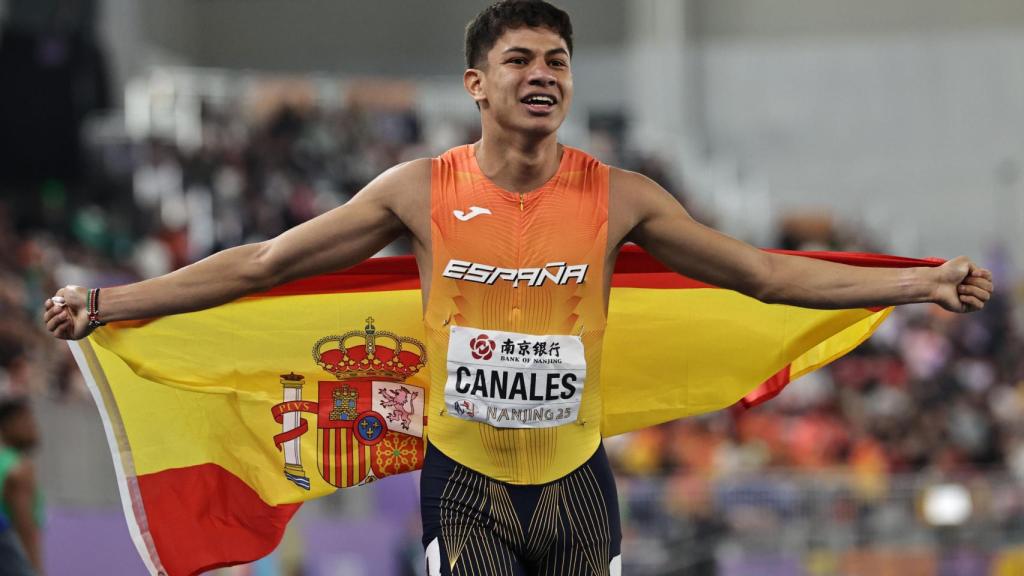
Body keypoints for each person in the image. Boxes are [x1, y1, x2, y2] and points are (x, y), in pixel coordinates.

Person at [43, 1, 993, 574]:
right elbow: (265, 264)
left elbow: (762, 274)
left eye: (557, 62)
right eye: (520, 61)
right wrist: (110, 303)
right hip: (465, 482)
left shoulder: (622, 197)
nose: (543, 76)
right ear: (477, 83)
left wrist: (921, 283)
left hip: (577, 483)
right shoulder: (418, 191)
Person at [0, 396, 42, 576]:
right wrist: (37, 570)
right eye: (26, 420)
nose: (33, 427)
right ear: (7, 425)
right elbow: (24, 528)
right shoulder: (20, 470)